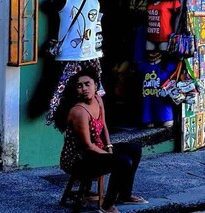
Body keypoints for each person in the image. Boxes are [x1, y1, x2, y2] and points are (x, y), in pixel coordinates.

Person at [56, 70, 146, 213]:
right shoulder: (79, 111)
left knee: (134, 149)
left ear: (96, 85)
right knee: (123, 161)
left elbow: (103, 125)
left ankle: (125, 195)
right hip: (78, 159)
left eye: (87, 84)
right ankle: (107, 205)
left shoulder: (98, 99)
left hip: (97, 149)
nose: (84, 89)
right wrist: (108, 155)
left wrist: (109, 147)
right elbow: (87, 145)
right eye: (80, 86)